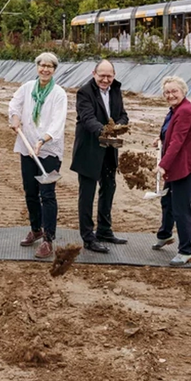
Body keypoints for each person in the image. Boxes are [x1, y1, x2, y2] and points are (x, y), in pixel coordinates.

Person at [8, 52, 67, 260]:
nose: (45, 69)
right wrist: (15, 118)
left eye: (50, 66)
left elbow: (57, 122)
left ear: (54, 69)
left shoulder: (59, 94)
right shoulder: (27, 88)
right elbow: (14, 105)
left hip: (48, 151)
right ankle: (36, 228)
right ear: (37, 67)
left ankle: (48, 239)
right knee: (30, 191)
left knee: (47, 193)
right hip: (27, 147)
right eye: (42, 65)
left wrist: (42, 141)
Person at [70, 59, 129, 253]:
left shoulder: (115, 90)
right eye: (102, 75)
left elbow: (122, 115)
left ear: (114, 76)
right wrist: (106, 130)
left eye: (109, 76)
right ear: (93, 73)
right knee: (87, 194)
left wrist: (120, 125)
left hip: (109, 148)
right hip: (89, 149)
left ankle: (104, 230)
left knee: (108, 188)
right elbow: (87, 118)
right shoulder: (84, 92)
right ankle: (88, 237)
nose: (105, 79)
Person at [152, 75, 191, 266]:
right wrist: (160, 140)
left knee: (181, 210)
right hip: (176, 167)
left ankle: (185, 251)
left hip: (186, 169)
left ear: (183, 91)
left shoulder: (186, 112)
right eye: (167, 92)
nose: (170, 95)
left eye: (174, 91)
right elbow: (169, 134)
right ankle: (165, 235)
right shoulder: (174, 110)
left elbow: (178, 142)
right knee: (167, 202)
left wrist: (162, 164)